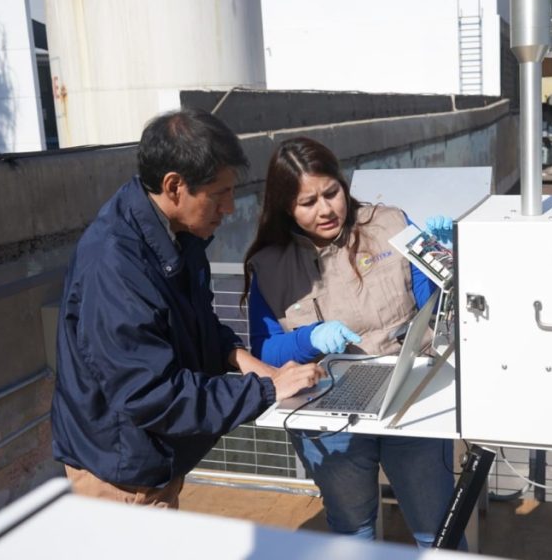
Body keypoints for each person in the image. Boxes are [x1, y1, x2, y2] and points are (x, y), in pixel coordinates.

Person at [51, 109, 324, 508]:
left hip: (152, 458)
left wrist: (247, 361)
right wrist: (265, 389)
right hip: (122, 476)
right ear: (174, 186)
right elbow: (152, 395)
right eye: (220, 194)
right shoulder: (115, 266)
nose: (230, 208)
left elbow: (197, 322)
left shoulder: (174, 233)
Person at [243, 137, 456, 547]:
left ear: (343, 185)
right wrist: (309, 338)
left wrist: (444, 257)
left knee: (438, 531)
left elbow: (435, 309)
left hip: (408, 394)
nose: (325, 210)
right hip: (327, 408)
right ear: (285, 205)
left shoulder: (390, 225)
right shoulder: (269, 265)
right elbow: (265, 350)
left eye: (331, 193)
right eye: (308, 202)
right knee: (352, 531)